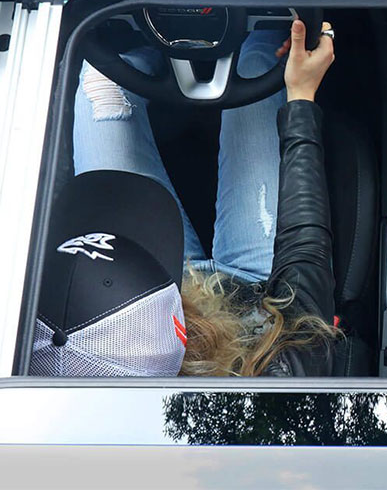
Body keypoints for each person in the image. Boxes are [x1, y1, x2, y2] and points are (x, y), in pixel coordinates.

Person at [74, 19, 339, 376]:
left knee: (101, 79)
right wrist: (301, 99)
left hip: (147, 300)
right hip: (265, 300)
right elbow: (305, 256)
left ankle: (148, 38)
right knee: (258, 62)